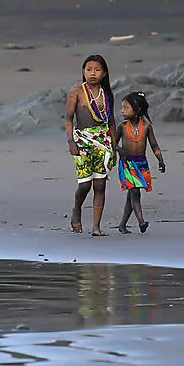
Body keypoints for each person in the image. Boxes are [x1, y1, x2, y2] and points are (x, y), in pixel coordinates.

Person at [64, 53, 116, 235]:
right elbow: (69, 119)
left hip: (103, 141)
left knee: (100, 185)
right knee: (85, 184)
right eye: (89, 69)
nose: (93, 73)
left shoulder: (107, 94)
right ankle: (77, 209)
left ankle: (96, 227)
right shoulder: (77, 92)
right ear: (83, 72)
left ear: (104, 73)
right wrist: (71, 141)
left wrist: (114, 147)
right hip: (81, 141)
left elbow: (111, 122)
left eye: (97, 70)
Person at [113, 91, 165, 233]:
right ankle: (141, 221)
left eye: (126, 107)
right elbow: (112, 143)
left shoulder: (147, 127)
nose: (122, 110)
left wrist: (160, 159)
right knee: (134, 192)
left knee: (132, 194)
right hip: (127, 164)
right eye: (122, 107)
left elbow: (154, 145)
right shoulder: (122, 127)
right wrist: (119, 149)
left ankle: (122, 225)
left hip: (141, 164)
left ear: (137, 110)